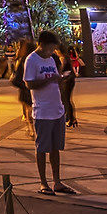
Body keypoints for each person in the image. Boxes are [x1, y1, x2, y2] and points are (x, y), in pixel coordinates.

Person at [23, 31, 69, 194]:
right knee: (42, 147)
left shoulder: (50, 59)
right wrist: (49, 79)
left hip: (57, 109)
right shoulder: (31, 60)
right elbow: (29, 84)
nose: (53, 51)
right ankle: (43, 183)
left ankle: (57, 181)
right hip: (42, 111)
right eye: (51, 47)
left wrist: (60, 79)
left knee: (56, 148)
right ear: (42, 44)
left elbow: (53, 78)